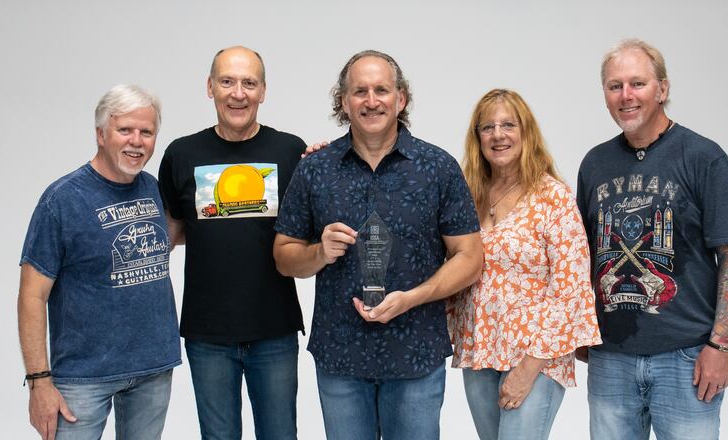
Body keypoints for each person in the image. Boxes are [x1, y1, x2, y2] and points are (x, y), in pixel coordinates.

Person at [273, 50, 483, 440]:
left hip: (415, 355)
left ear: (401, 99)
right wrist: (319, 252)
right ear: (343, 101)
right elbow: (284, 257)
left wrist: (413, 297)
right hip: (341, 355)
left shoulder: (438, 168)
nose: (371, 101)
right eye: (360, 91)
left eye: (381, 90)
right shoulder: (315, 169)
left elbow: (470, 257)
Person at [576, 39, 728, 440]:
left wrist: (720, 347)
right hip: (610, 357)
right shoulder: (594, 163)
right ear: (605, 95)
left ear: (663, 90)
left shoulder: (704, 158)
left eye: (637, 83)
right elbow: (583, 255)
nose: (626, 95)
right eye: (615, 86)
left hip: (686, 357)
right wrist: (579, 329)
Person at [157, 46, 306, 440]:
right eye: (227, 81)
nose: (238, 93)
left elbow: (309, 226)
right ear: (210, 87)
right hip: (208, 334)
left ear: (263, 91)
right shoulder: (181, 153)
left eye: (248, 83)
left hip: (274, 330)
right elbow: (173, 231)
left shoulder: (291, 151)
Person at [17, 84, 181, 440]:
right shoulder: (61, 200)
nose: (136, 141)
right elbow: (32, 295)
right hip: (82, 377)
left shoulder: (153, 189)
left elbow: (172, 235)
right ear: (100, 134)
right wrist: (39, 382)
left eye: (147, 132)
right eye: (125, 130)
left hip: (153, 369)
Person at [446, 89, 601, 440]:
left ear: (526, 132)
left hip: (535, 356)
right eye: (488, 127)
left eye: (508, 125)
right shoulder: (468, 195)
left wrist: (530, 366)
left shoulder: (552, 197)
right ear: (477, 138)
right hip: (479, 352)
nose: (498, 135)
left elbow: (572, 288)